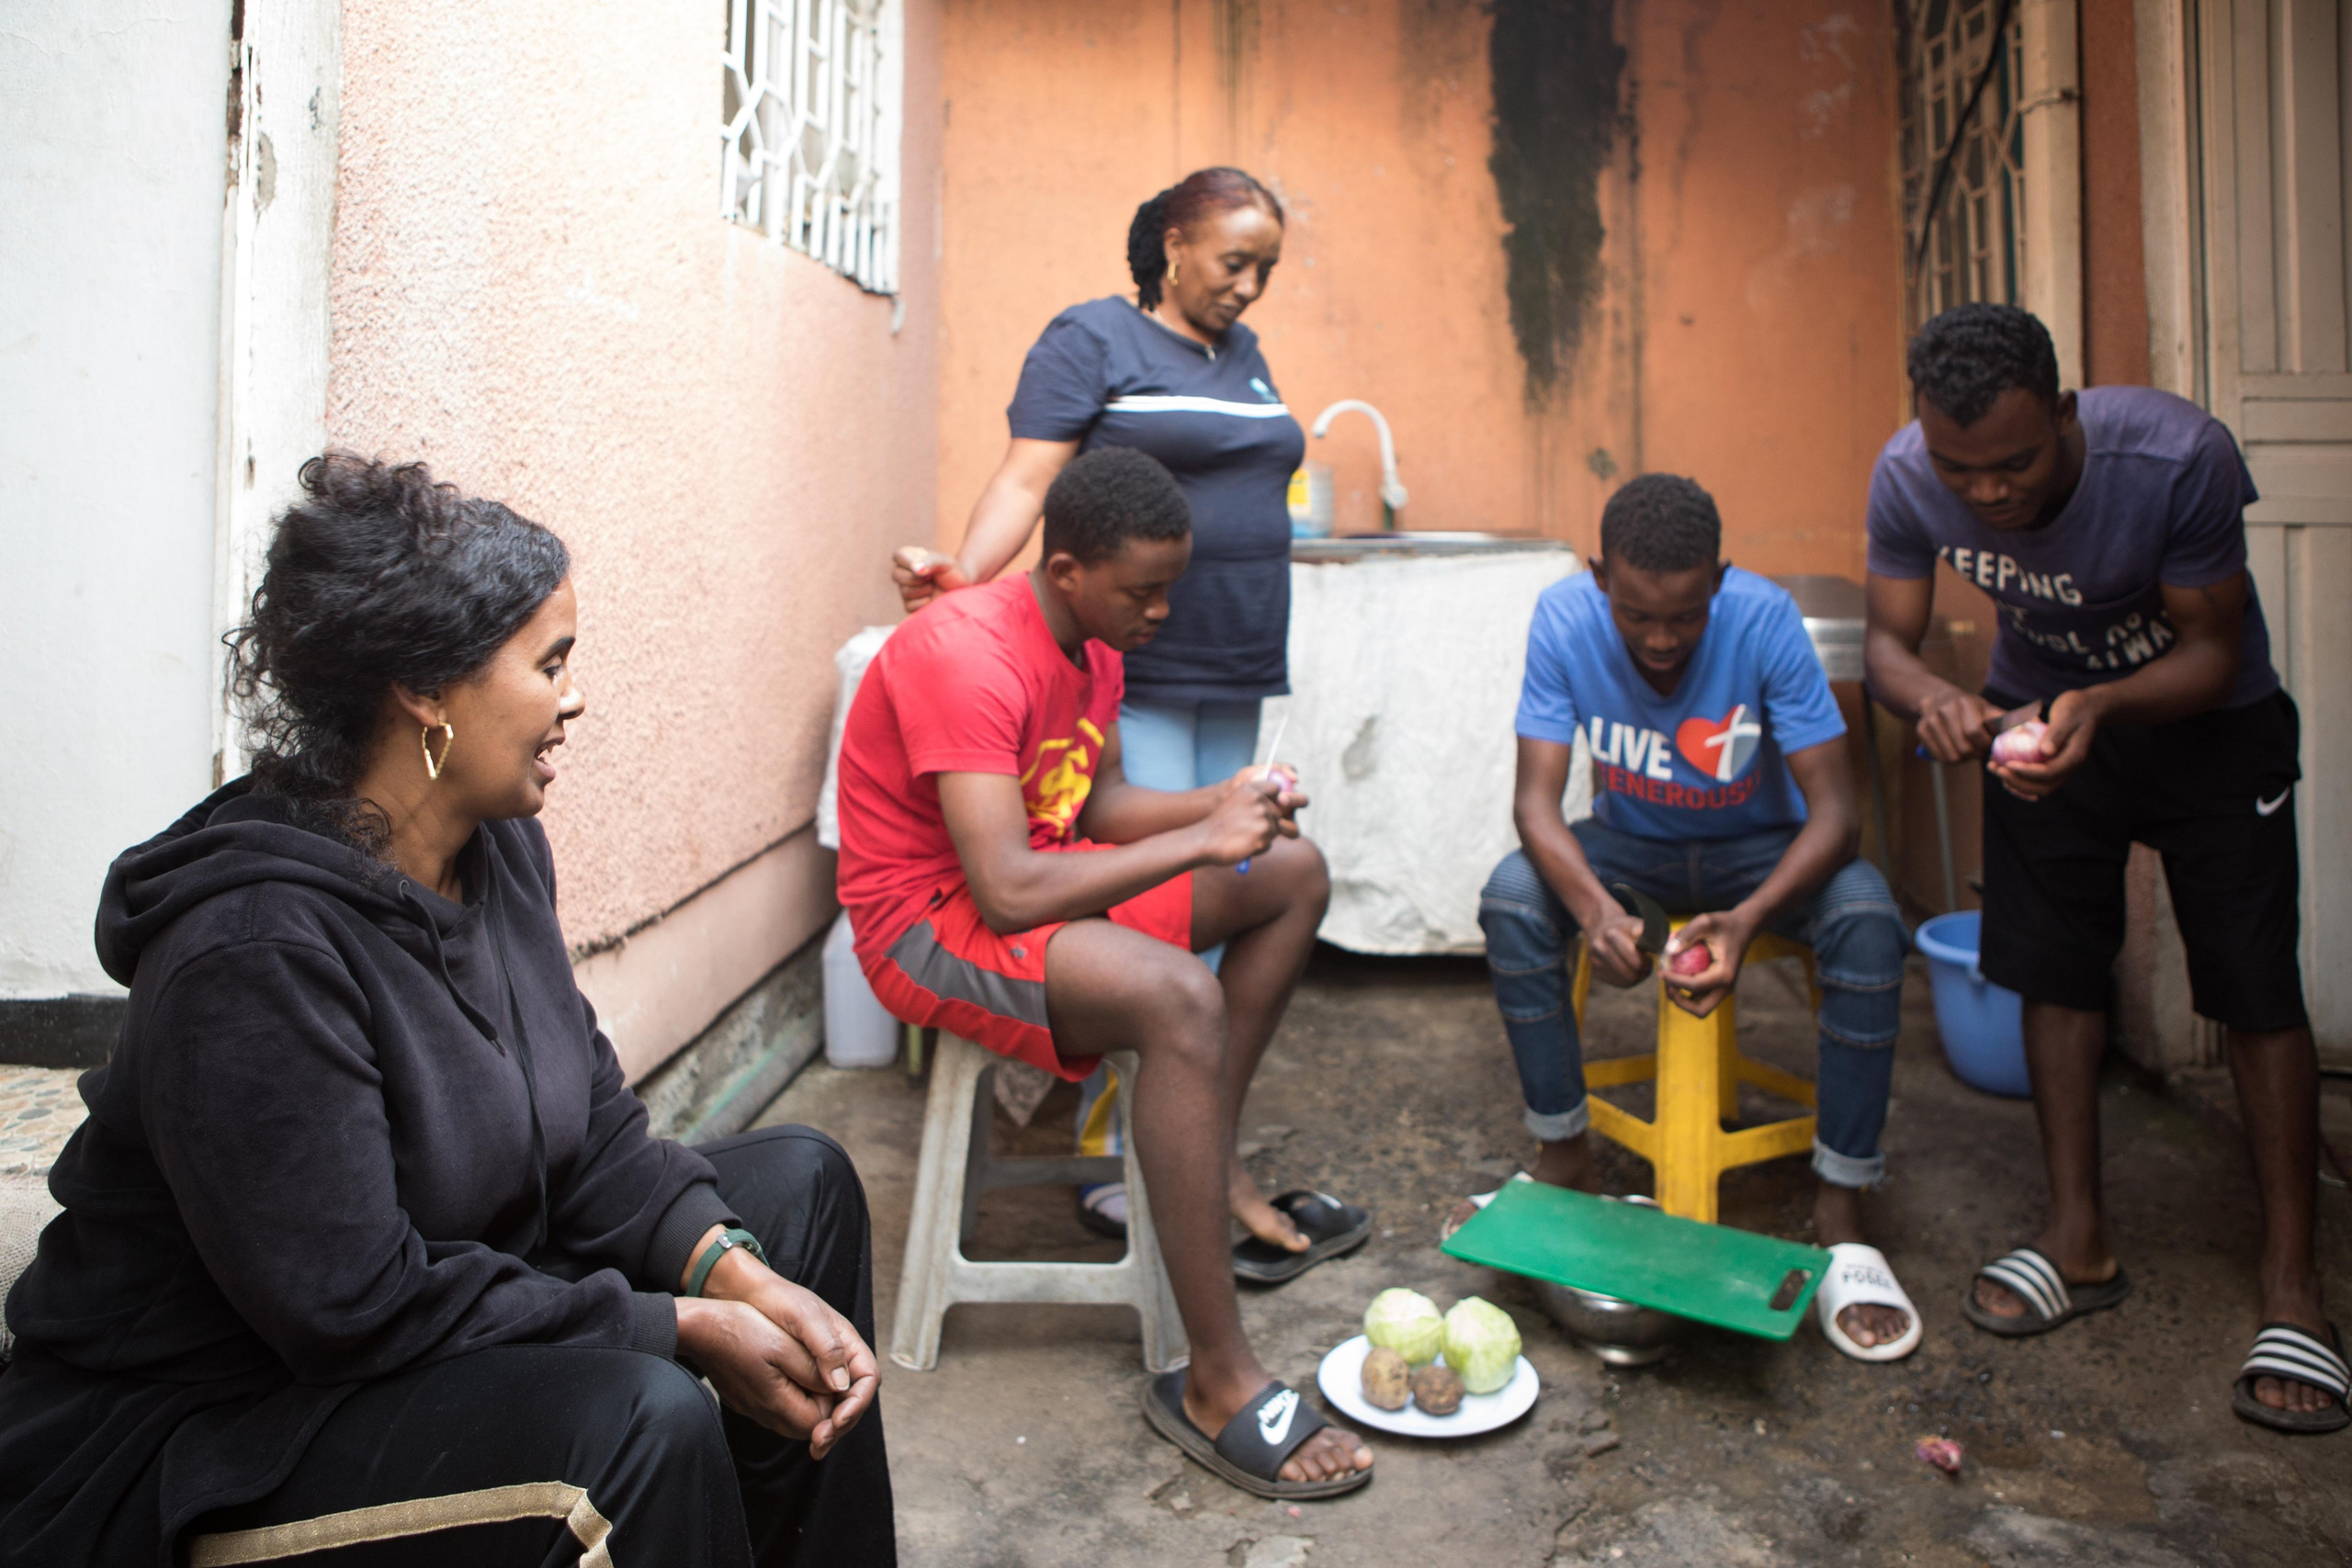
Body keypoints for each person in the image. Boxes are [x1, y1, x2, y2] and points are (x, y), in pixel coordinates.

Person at [0, 456, 896, 1566]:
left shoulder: (496, 843)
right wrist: (677, 1326)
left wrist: (738, 1277)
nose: (574, 700)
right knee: (636, 1422)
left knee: (800, 1192)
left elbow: (595, 1130)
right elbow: (350, 1309)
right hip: (221, 1422)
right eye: (549, 663)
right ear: (426, 691)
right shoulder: (254, 950)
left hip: (440, 1289)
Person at [836, 447, 1374, 1497]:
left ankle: (1202, 1155)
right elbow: (1003, 892)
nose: (1161, 611)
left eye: (1170, 588)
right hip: (926, 920)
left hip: (1029, 875)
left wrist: (1226, 800)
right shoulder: (967, 653)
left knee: (1291, 873)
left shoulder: (1092, 638)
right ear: (1068, 566)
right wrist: (1200, 842)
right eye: (1143, 591)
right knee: (1178, 995)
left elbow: (1098, 809)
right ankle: (1217, 1380)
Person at [1863, 303, 2342, 1433]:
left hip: (2207, 727)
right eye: (1958, 467)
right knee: (2052, 968)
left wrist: (2098, 705)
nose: (1984, 494)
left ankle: (2292, 1283)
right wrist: (1936, 697)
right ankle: (2077, 1238)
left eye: (2015, 463)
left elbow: (2213, 649)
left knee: (2252, 985)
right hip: (2042, 723)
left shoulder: (2177, 457)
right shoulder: (1903, 473)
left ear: (2065, 414)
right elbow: (1889, 640)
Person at [891, 167, 1300, 1243]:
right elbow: (1031, 480)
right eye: (1232, 262)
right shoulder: (1091, 339)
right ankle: (1119, 1163)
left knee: (1228, 882)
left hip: (1234, 658)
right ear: (1173, 243)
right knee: (1144, 909)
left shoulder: (1242, 360)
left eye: (1265, 268)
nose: (1249, 287)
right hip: (1139, 664)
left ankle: (1193, 1146)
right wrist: (963, 582)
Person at [1460, 474, 1918, 1362]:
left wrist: (1747, 921)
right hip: (1632, 849)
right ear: (1600, 579)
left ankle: (1841, 1206)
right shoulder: (1563, 619)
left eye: (1686, 616)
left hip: (1758, 849)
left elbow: (1836, 815)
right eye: (1637, 615)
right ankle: (1563, 1156)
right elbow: (1538, 807)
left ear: (1720, 579)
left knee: (1866, 911)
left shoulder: (1765, 619)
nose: (1662, 640)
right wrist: (1596, 911)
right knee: (1514, 895)